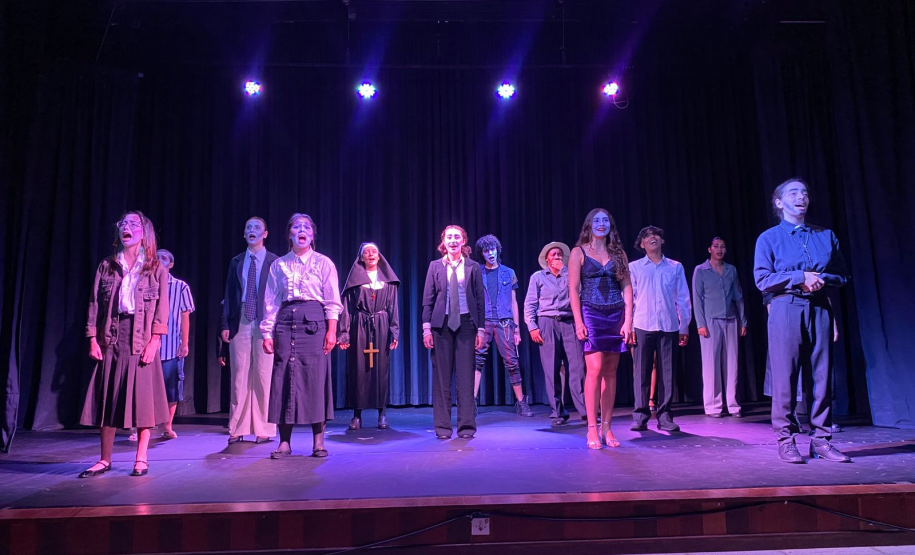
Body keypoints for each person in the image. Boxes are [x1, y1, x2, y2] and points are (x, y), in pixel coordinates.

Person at [754, 177, 850, 464]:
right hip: (786, 308)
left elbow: (842, 275)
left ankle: (821, 441)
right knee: (786, 377)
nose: (802, 197)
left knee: (822, 377)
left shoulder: (825, 235)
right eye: (794, 193)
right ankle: (786, 439)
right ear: (780, 202)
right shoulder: (769, 238)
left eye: (805, 193)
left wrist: (820, 279)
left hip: (820, 308)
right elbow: (762, 279)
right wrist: (799, 278)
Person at [79, 210, 170, 478]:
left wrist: (155, 341)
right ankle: (104, 459)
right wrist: (92, 337)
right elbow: (95, 303)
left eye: (133, 224)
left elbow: (161, 309)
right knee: (108, 397)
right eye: (123, 224)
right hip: (112, 335)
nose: (126, 227)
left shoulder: (156, 269)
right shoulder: (107, 266)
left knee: (143, 401)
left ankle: (141, 458)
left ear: (144, 234)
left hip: (141, 336)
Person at [262, 213, 341, 458]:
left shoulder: (324, 263)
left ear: (313, 235)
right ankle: (284, 441)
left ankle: (318, 441)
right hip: (286, 323)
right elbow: (271, 301)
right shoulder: (279, 265)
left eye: (306, 227)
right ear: (290, 234)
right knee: (283, 377)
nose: (302, 230)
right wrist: (267, 331)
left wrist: (332, 330)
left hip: (313, 323)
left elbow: (332, 300)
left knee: (315, 378)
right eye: (297, 226)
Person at [568, 209, 633, 449]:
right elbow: (573, 289)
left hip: (616, 313)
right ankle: (591, 429)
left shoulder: (619, 253)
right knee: (594, 369)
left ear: (610, 226)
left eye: (605, 220)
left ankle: (607, 426)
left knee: (611, 371)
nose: (601, 224)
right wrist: (578, 321)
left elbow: (627, 287)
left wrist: (628, 320)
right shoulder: (579, 252)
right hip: (591, 313)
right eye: (596, 220)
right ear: (588, 225)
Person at [422, 225, 485, 439]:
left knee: (466, 378)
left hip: (467, 325)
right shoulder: (435, 267)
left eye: (457, 237)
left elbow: (479, 300)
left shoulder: (473, 267)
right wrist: (426, 329)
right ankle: (442, 428)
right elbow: (427, 301)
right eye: (449, 237)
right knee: (441, 380)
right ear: (443, 241)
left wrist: (481, 329)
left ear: (463, 241)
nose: (453, 240)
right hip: (441, 326)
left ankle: (466, 427)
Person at [629, 225, 691, 433]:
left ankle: (665, 415)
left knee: (667, 373)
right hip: (642, 324)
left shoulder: (675, 267)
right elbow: (630, 299)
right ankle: (640, 415)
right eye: (647, 236)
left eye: (656, 235)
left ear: (662, 241)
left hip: (668, 325)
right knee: (642, 373)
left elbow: (682, 298)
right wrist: (628, 326)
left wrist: (684, 326)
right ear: (642, 244)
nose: (652, 237)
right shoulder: (635, 267)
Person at [221, 217, 278, 444]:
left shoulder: (275, 261)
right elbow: (227, 295)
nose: (251, 231)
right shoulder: (236, 261)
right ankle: (237, 427)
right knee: (239, 374)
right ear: (244, 234)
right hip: (242, 317)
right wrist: (225, 324)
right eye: (248, 228)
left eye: (256, 228)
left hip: (266, 319)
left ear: (265, 233)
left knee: (264, 374)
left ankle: (263, 428)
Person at [523, 241, 588, 426]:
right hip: (547, 323)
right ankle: (558, 412)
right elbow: (530, 303)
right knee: (551, 369)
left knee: (577, 367)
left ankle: (585, 410)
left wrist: (566, 272)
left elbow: (580, 293)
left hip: (569, 321)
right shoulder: (537, 277)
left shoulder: (572, 275)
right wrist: (532, 327)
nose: (557, 257)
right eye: (553, 255)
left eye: (560, 254)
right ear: (547, 259)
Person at [338, 243, 400, 430]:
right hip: (360, 325)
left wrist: (394, 331)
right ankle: (357, 415)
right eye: (367, 252)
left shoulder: (387, 281)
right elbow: (347, 308)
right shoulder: (355, 279)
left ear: (379, 256)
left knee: (382, 368)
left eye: (374, 251)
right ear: (361, 257)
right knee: (359, 369)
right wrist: (344, 334)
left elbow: (393, 308)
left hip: (381, 324)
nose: (371, 254)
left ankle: (382, 413)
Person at [473, 234, 532, 417]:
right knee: (476, 361)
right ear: (481, 254)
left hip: (505, 322)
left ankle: (521, 402)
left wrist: (517, 329)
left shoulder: (509, 272)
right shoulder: (477, 272)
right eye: (485, 250)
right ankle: (471, 402)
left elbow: (514, 302)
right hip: (483, 322)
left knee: (512, 362)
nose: (490, 253)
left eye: (492, 249)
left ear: (498, 250)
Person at [692, 237, 747, 418]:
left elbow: (738, 297)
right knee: (711, 364)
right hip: (710, 321)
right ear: (709, 249)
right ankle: (713, 406)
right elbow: (697, 299)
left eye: (723, 246)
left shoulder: (731, 270)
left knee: (732, 363)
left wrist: (743, 321)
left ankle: (733, 404)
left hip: (731, 319)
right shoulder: (700, 270)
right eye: (716, 246)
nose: (719, 249)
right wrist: (700, 324)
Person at [156, 249, 196, 439]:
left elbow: (184, 315)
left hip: (171, 346)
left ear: (171, 264)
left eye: (163, 258)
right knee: (145, 387)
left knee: (171, 387)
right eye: (156, 257)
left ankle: (167, 425)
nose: (159, 261)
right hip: (146, 346)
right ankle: (141, 427)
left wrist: (184, 343)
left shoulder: (180, 287)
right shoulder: (144, 284)